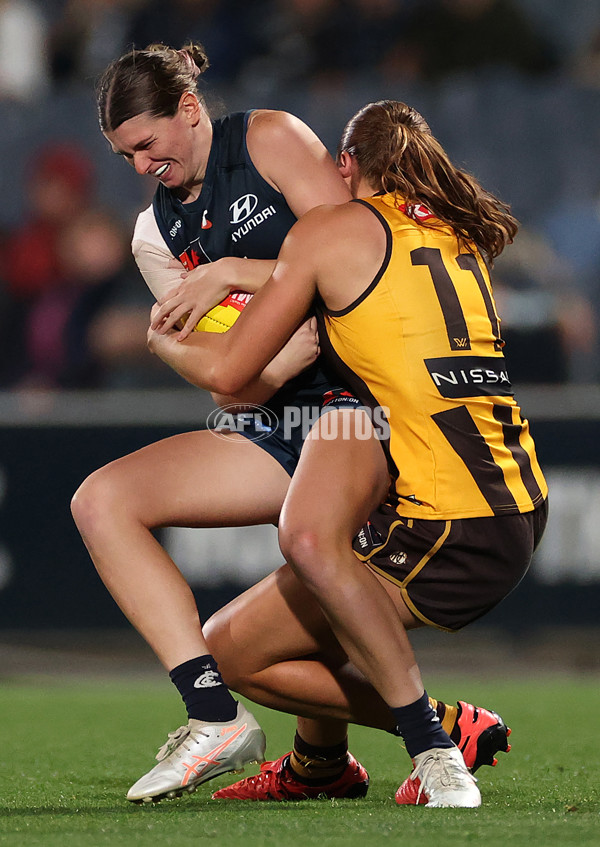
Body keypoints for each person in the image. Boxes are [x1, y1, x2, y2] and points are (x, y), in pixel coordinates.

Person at [71, 42, 509, 808]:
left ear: (188, 109)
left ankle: (418, 743)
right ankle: (214, 715)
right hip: (280, 415)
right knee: (102, 501)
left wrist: (231, 278)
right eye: (124, 155)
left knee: (310, 545)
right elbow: (236, 375)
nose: (140, 165)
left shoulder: (269, 138)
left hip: (355, 405)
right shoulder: (153, 235)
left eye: (147, 144)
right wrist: (242, 358)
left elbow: (358, 246)